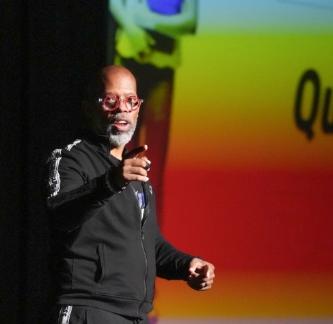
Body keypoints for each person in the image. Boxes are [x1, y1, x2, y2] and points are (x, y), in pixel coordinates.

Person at [44, 65, 214, 323]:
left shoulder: (134, 174)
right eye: (111, 100)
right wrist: (111, 182)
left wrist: (187, 264)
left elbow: (151, 245)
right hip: (88, 309)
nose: (122, 108)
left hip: (134, 315)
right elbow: (59, 214)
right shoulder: (70, 158)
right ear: (90, 106)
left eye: (130, 100)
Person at [109, 0, 199, 225]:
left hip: (162, 63)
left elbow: (189, 21)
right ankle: (117, 219)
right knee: (121, 147)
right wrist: (131, 27)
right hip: (130, 56)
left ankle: (150, 230)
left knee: (154, 156)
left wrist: (147, 20)